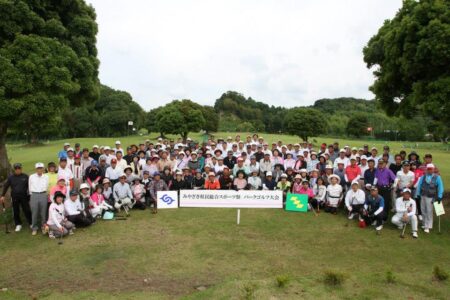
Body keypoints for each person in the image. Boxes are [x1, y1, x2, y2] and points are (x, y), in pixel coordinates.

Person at [0, 163, 31, 232]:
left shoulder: (25, 176)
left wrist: (30, 195)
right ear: (14, 169)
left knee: (27, 210)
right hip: (14, 197)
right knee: (16, 211)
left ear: (21, 169)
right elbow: (6, 186)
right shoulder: (11, 177)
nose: (17, 170)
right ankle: (18, 224)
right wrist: (2, 195)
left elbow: (30, 186)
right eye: (16, 169)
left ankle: (31, 223)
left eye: (19, 168)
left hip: (24, 196)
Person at [415, 164, 444, 233]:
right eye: (428, 169)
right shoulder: (423, 176)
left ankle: (428, 226)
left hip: (431, 197)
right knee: (423, 210)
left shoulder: (437, 177)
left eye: (431, 169)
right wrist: (418, 194)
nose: (429, 170)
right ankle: (424, 223)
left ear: (433, 169)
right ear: (426, 169)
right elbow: (419, 186)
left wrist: (440, 196)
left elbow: (440, 187)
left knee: (429, 211)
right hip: (422, 195)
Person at [28, 162, 49, 235]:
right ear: (36, 169)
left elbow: (46, 186)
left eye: (41, 168)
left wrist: (44, 193)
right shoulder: (31, 176)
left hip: (43, 194)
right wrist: (33, 195)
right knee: (34, 212)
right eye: (38, 168)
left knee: (43, 212)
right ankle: (34, 228)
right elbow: (29, 187)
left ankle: (43, 227)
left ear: (43, 169)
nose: (39, 170)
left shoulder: (46, 176)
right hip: (34, 195)